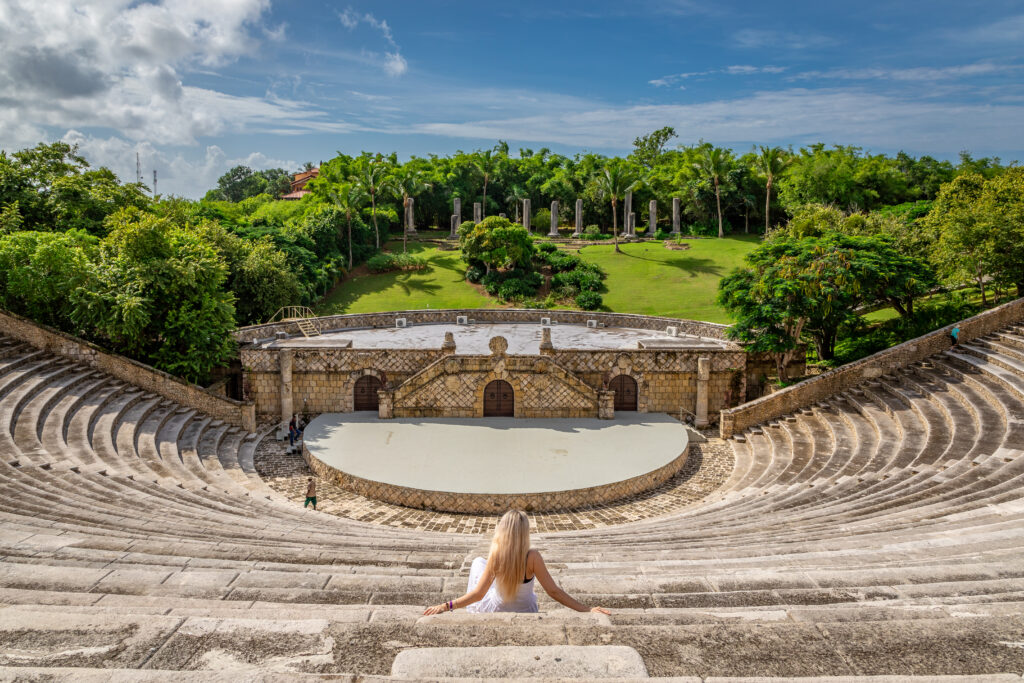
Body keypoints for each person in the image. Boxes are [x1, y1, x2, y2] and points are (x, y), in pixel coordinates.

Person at [423, 510, 610, 615]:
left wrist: (445, 606)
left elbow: (478, 595)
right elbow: (553, 591)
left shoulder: (497, 555)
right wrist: (587, 609)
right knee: (481, 562)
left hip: (495, 609)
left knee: (478, 562)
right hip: (527, 609)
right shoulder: (533, 557)